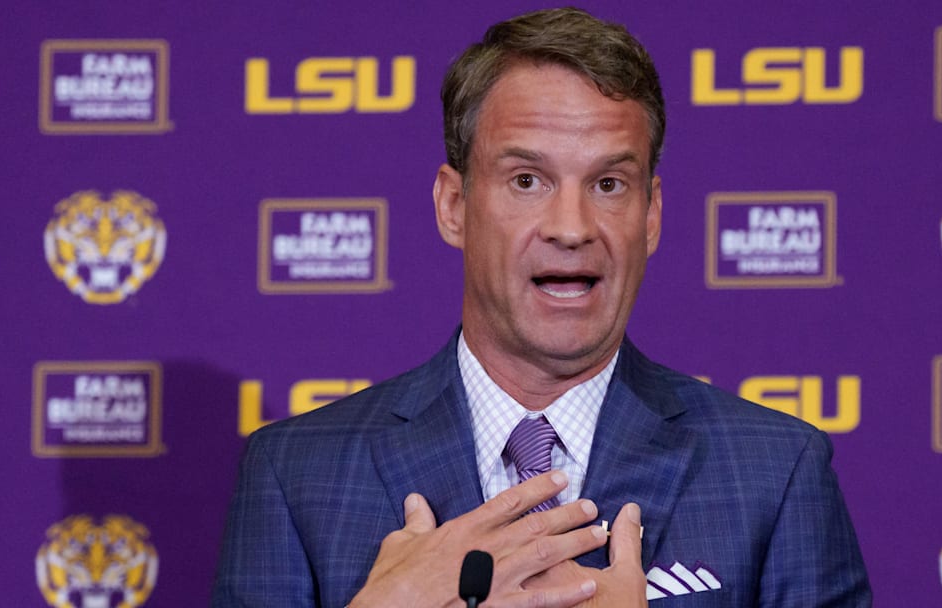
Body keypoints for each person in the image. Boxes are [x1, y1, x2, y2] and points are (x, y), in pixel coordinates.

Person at [213, 7, 871, 607]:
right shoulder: (297, 475)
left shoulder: (777, 471)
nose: (571, 226)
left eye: (609, 184)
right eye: (527, 180)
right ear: (454, 205)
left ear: (651, 215)